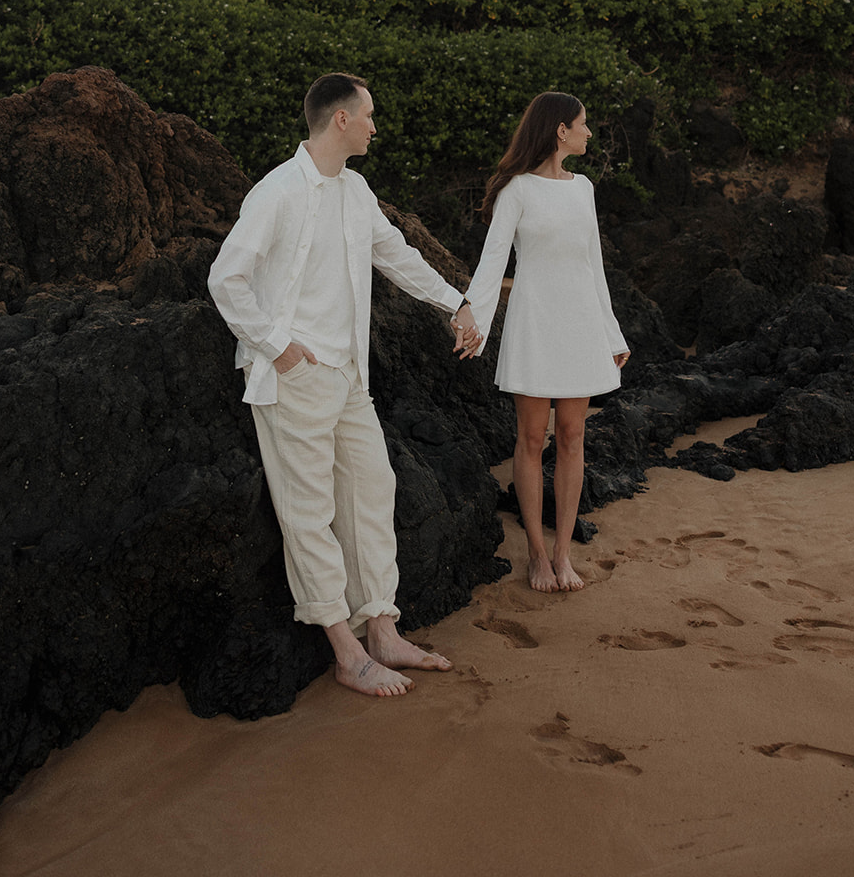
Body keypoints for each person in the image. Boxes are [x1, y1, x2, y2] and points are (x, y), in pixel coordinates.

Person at [208, 72, 481, 698]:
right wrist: (277, 349)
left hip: (350, 374)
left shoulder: (355, 190)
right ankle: (346, 652)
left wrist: (454, 301)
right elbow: (227, 278)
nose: (375, 126)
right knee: (308, 513)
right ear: (340, 120)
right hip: (294, 377)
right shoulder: (276, 190)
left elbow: (396, 253)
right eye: (369, 115)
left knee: (371, 490)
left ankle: (383, 629)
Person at [455, 92, 630, 594]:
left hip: (579, 325)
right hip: (534, 322)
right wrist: (474, 319)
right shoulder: (517, 190)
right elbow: (493, 264)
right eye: (582, 124)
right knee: (532, 438)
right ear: (559, 130)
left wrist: (611, 331)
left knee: (573, 435)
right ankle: (535, 552)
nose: (588, 133)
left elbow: (594, 265)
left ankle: (562, 553)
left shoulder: (584, 188)